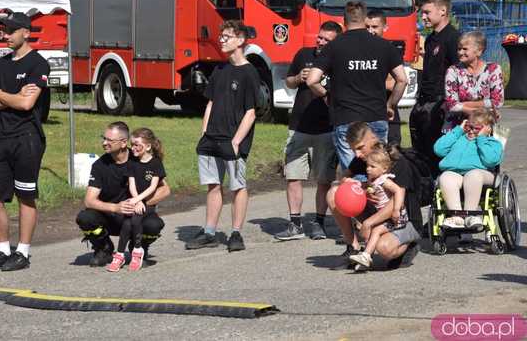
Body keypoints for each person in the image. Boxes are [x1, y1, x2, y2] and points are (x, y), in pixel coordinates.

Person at [0, 12, 50, 272]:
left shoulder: (38, 64)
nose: (5, 35)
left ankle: (22, 251)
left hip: (27, 138)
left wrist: (0, 94)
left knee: (25, 195)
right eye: (3, 31)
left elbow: (26, 103)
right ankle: (2, 249)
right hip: (2, 136)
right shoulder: (1, 64)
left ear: (26, 33)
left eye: (10, 31)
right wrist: (7, 95)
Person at [307, 0, 408, 170]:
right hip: (377, 116)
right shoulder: (384, 46)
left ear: (344, 21)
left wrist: (326, 96)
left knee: (354, 174)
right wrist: (390, 104)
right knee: (377, 172)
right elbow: (402, 79)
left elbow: (312, 80)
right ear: (364, 19)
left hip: (346, 119)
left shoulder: (334, 46)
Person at [187, 20, 260, 252]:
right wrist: (204, 133)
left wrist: (236, 141)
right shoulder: (220, 69)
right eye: (221, 36)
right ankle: (209, 231)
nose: (222, 40)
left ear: (240, 40)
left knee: (237, 186)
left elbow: (250, 113)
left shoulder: (250, 72)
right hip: (212, 138)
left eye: (227, 36)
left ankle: (236, 233)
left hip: (232, 140)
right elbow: (211, 102)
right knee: (213, 185)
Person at [275, 21, 342, 241]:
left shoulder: (339, 60)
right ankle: (295, 224)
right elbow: (289, 82)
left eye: (326, 39)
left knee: (324, 179)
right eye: (320, 37)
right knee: (293, 176)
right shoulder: (304, 54)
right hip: (299, 126)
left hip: (326, 128)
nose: (320, 41)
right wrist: (298, 78)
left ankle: (319, 223)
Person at [326, 122, 421, 270]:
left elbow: (397, 201)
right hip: (380, 215)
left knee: (383, 248)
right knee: (334, 193)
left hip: (402, 218)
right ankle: (354, 248)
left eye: (360, 147)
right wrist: (352, 184)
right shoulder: (363, 158)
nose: (357, 154)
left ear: (372, 138)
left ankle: (409, 244)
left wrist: (368, 223)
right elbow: (343, 178)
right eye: (353, 150)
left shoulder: (395, 159)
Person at [75, 122, 169, 267]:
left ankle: (138, 248)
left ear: (124, 142)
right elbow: (89, 201)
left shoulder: (140, 157)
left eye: (109, 140)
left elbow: (165, 190)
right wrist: (115, 208)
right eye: (103, 138)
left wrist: (139, 203)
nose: (104, 143)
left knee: (154, 225)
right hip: (111, 217)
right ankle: (104, 248)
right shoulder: (100, 165)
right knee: (85, 218)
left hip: (137, 217)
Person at [409, 0, 460, 172]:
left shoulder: (453, 38)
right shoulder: (431, 38)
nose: (423, 17)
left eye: (427, 12)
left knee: (437, 151)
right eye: (422, 13)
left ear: (443, 11)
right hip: (425, 102)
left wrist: (449, 104)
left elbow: (458, 73)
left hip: (441, 104)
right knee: (421, 151)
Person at [107, 127, 166, 272]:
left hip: (147, 204)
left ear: (147, 146)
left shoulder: (156, 163)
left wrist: (140, 200)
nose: (133, 148)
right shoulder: (132, 163)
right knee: (127, 223)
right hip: (135, 201)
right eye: (132, 144)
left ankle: (137, 252)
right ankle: (121, 255)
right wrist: (136, 200)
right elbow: (131, 184)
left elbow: (153, 187)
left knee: (134, 220)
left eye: (137, 145)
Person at [434, 108, 503, 229]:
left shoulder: (492, 142)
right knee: (445, 177)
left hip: (484, 175)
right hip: (457, 174)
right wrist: (458, 130)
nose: (471, 131)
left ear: (487, 129)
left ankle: (471, 215)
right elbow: (438, 149)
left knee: (473, 175)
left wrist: (481, 138)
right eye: (469, 127)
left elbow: (490, 160)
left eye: (477, 128)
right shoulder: (459, 138)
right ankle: (457, 217)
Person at [348, 147, 407, 271]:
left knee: (375, 230)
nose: (368, 169)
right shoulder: (373, 179)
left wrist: (396, 209)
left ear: (384, 169)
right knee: (371, 231)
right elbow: (366, 186)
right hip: (385, 216)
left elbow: (399, 191)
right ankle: (366, 256)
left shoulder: (384, 180)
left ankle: (366, 256)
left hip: (395, 218)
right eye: (368, 166)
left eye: (372, 166)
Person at [443, 31, 504, 132]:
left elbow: (498, 102)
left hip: (485, 127)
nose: (460, 52)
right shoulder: (453, 71)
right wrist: (482, 110)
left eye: (465, 49)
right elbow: (451, 105)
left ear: (479, 51)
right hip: (457, 127)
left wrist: (463, 104)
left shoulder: (494, 69)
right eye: (459, 49)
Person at [365, 9, 401, 145]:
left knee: (390, 153)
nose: (370, 31)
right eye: (367, 27)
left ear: (385, 28)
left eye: (374, 27)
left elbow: (396, 83)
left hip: (386, 111)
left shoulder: (389, 51)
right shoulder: (358, 50)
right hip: (364, 113)